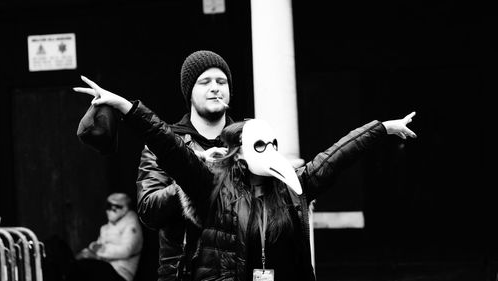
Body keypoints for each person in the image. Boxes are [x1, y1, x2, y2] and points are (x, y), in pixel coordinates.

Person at [73, 76, 417, 281]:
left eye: (272, 144)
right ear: (238, 150)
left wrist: (382, 129)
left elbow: (333, 159)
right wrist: (126, 108)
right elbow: (168, 147)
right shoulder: (213, 186)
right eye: (259, 145)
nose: (268, 150)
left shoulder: (289, 187)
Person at [136, 50, 234, 281]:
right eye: (204, 82)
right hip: (184, 275)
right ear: (189, 91)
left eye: (222, 81)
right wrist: (191, 175)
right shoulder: (163, 144)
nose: (215, 87)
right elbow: (148, 210)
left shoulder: (249, 140)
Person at [68, 192, 143, 281]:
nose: (111, 210)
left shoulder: (132, 225)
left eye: (116, 207)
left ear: (125, 209)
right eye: (108, 206)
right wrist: (89, 251)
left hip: (121, 273)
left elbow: (127, 250)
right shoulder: (107, 227)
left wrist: (100, 251)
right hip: (104, 266)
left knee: (84, 267)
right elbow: (98, 245)